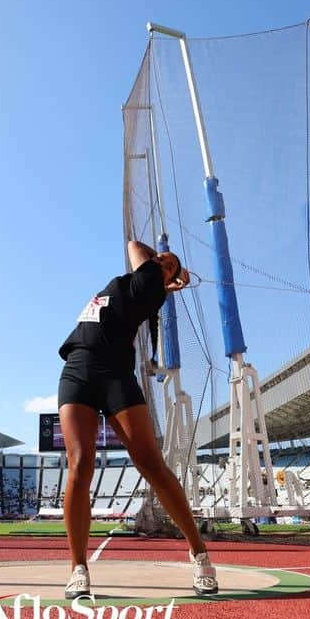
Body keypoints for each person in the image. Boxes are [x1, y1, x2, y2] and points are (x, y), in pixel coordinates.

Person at [57, 240, 218, 598]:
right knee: (79, 463)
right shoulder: (145, 279)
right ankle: (78, 568)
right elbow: (137, 246)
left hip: (115, 374)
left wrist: (170, 278)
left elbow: (136, 248)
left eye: (168, 263)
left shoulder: (149, 283)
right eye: (162, 258)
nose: (161, 260)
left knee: (151, 465)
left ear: (164, 279)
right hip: (78, 367)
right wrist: (175, 276)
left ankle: (200, 553)